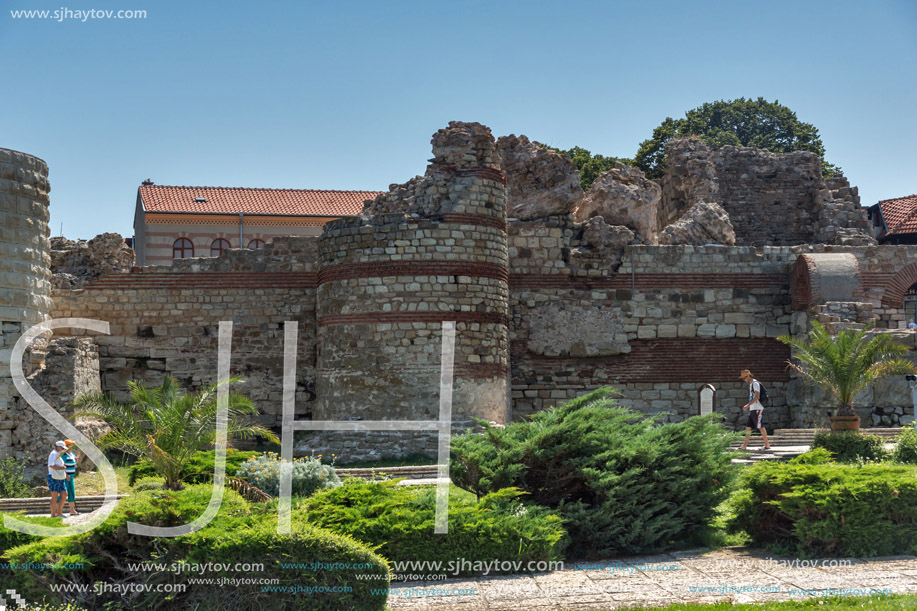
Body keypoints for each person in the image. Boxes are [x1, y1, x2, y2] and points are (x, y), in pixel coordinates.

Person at [739, 369, 771, 452]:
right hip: (753, 408)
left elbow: (757, 397)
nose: (744, 379)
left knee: (760, 426)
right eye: (743, 378)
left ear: (749, 376)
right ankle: (744, 445)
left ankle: (767, 445)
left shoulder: (755, 383)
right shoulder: (751, 385)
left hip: (757, 408)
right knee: (748, 427)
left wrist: (747, 405)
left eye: (745, 377)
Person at [47, 441, 68, 518]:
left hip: (59, 477)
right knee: (55, 496)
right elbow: (51, 465)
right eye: (62, 448)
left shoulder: (57, 454)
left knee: (64, 494)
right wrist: (61, 468)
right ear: (58, 447)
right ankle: (53, 515)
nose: (62, 449)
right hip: (53, 477)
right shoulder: (53, 454)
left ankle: (59, 512)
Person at [61, 440, 79, 516]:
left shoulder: (72, 454)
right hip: (66, 477)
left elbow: (74, 463)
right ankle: (57, 510)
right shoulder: (64, 455)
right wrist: (66, 475)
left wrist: (77, 459)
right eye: (71, 445)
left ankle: (72, 510)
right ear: (67, 446)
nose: (73, 446)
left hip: (71, 476)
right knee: (64, 493)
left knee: (72, 493)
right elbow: (62, 466)